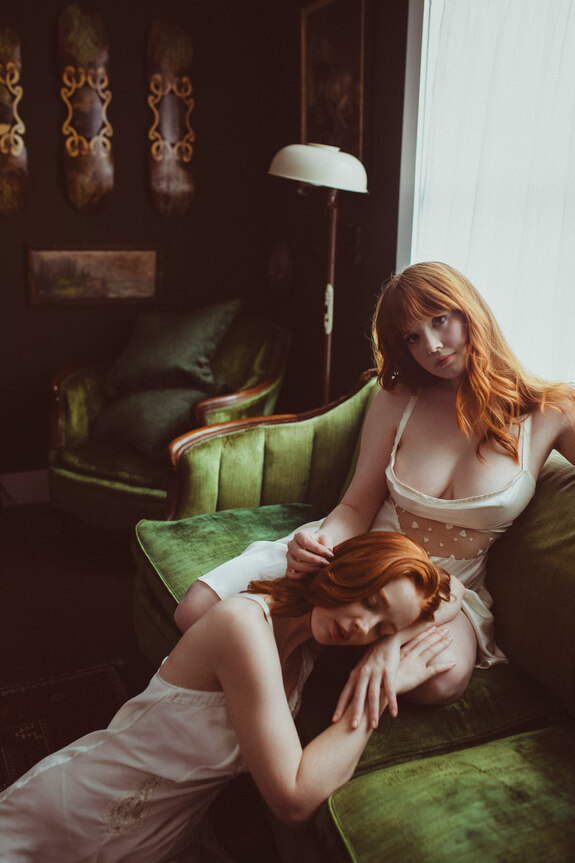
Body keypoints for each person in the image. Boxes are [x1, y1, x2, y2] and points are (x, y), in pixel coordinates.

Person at [174, 261, 575, 728]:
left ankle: (335, 656)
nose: (432, 346)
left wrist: (393, 642)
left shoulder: (552, 410)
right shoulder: (398, 399)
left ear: (471, 311)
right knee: (196, 611)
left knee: (440, 683)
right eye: (412, 337)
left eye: (440, 320)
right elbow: (356, 505)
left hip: (445, 588)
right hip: (358, 558)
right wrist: (321, 543)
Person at [0, 532, 456, 863]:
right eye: (371, 602)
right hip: (71, 815)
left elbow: (457, 592)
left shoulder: (310, 648)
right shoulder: (242, 624)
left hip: (157, 842)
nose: (362, 628)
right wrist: (380, 690)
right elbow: (294, 801)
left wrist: (388, 648)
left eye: (380, 628)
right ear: (347, 567)